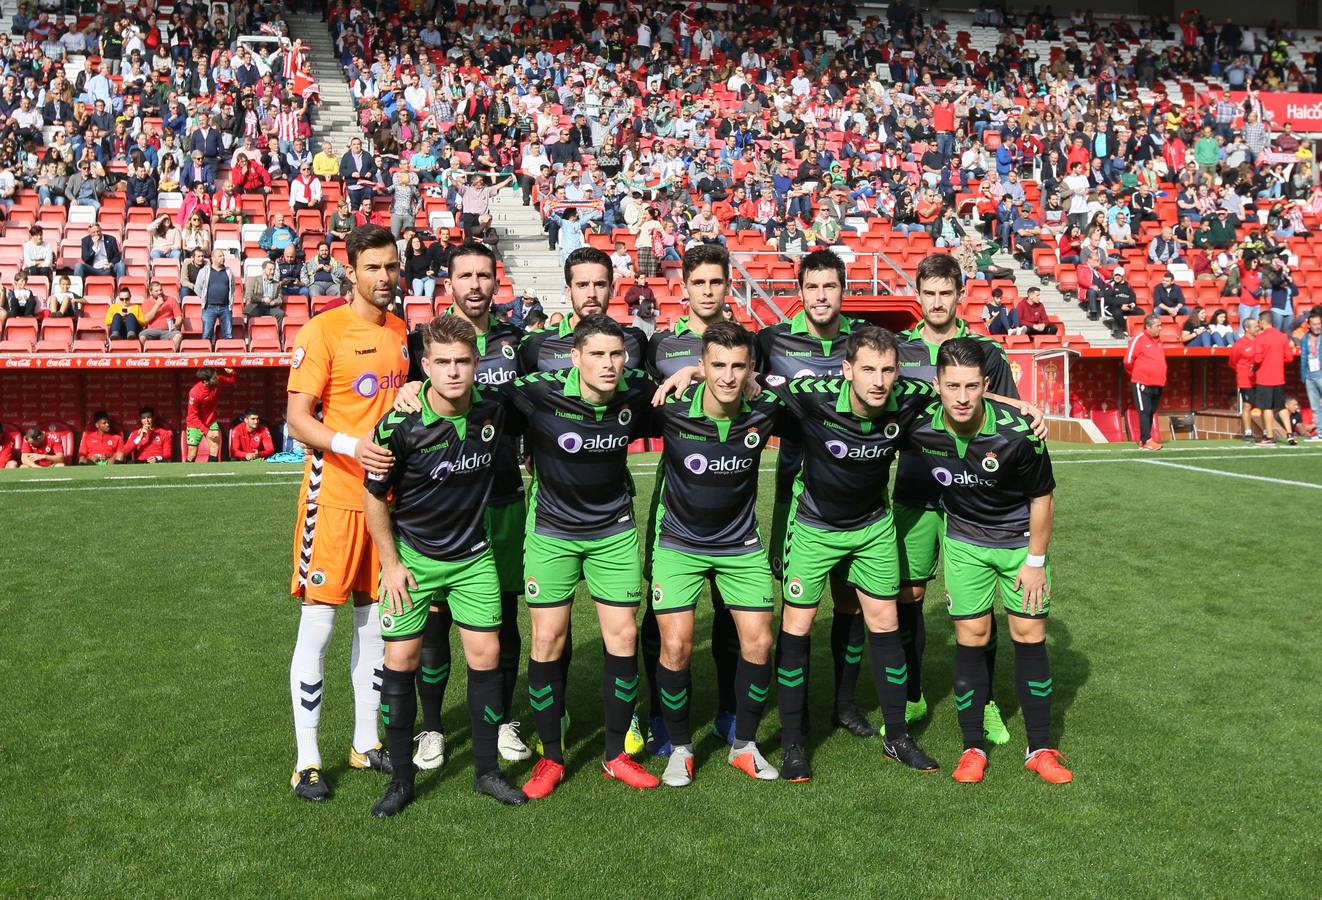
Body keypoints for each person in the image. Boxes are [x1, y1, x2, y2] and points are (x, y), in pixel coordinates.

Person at [364, 315, 530, 817]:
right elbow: (372, 496)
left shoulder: (494, 409)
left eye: (463, 361)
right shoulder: (400, 423)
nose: (454, 372)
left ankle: (487, 772)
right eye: (443, 363)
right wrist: (390, 564)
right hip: (412, 559)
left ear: (477, 363)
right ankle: (399, 778)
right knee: (401, 663)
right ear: (425, 366)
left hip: (473, 558)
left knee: (486, 657)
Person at [901, 338, 1071, 786]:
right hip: (964, 542)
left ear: (986, 386)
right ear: (936, 384)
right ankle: (972, 747)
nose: (961, 397)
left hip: (1019, 545)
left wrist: (1035, 561)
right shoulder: (919, 423)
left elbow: (1042, 497)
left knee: (1028, 634)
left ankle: (1040, 747)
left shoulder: (1017, 431)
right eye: (952, 385)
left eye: (972, 386)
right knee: (972, 636)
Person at [394, 242, 534, 772]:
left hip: (501, 500)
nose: (474, 285)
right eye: (464, 276)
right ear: (447, 283)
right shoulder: (421, 341)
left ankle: (501, 721)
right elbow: (405, 396)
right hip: (437, 504)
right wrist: (405, 390)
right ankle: (431, 728)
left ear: (496, 282)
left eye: (483, 275)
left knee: (503, 620)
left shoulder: (514, 341)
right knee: (432, 621)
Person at [284, 224, 410, 803]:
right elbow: (297, 419)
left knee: (377, 624)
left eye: (392, 266)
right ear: (351, 270)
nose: (386, 278)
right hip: (333, 499)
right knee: (320, 624)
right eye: (375, 268)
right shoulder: (323, 330)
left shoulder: (403, 332)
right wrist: (348, 445)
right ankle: (307, 758)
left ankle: (366, 741)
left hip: (386, 504)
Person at [644, 321, 786, 785]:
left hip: (739, 543)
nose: (727, 376)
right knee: (677, 644)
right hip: (679, 543)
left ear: (751, 370)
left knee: (760, 642)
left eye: (737, 366)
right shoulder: (670, 409)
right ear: (702, 365)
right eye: (717, 365)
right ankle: (681, 748)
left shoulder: (765, 410)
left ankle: (744, 745)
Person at [895, 253, 1021, 746]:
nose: (938, 301)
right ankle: (911, 693)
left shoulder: (986, 351)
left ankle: (986, 700)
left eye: (946, 293)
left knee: (978, 611)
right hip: (916, 487)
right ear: (919, 296)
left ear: (959, 295)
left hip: (977, 496)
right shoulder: (901, 351)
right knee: (909, 596)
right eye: (929, 293)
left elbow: (1008, 413)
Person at [754, 249, 874, 744]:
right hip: (796, 496)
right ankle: (793, 713)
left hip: (857, 497)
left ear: (843, 289)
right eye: (812, 287)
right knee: (796, 608)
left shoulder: (864, 340)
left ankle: (845, 704)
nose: (821, 296)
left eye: (830, 286)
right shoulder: (772, 341)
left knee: (849, 602)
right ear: (799, 292)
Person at [637, 245, 743, 754]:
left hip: (734, 501)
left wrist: (699, 372)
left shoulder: (749, 342)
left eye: (715, 283)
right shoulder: (659, 345)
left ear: (727, 287)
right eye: (698, 282)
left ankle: (728, 711)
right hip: (674, 497)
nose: (707, 291)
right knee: (660, 619)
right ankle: (657, 714)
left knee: (730, 615)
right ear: (684, 289)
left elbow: (750, 382)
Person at [518, 247, 648, 372]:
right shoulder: (535, 343)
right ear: (568, 291)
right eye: (582, 285)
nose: (591, 293)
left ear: (611, 291)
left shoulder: (635, 340)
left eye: (600, 284)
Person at [1252, 310, 1294, 446]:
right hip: (1279, 377)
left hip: (1265, 377)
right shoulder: (1282, 336)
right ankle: (1290, 434)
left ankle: (1269, 437)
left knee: (1267, 408)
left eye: (1259, 322)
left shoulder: (1261, 337)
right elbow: (1289, 357)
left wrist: (1254, 365)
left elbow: (1258, 358)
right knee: (1281, 407)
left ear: (1263, 322)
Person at [1125, 314, 1167, 450]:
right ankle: (1146, 439)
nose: (1160, 329)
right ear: (1148, 327)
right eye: (1157, 326)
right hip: (1142, 382)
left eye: (1161, 325)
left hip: (1157, 383)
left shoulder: (1159, 342)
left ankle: (1144, 440)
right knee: (1144, 411)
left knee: (1150, 411)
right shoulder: (1139, 340)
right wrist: (1138, 375)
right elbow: (1128, 360)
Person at [186, 366, 237, 462]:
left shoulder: (217, 380)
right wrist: (206, 431)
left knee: (214, 447)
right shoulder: (195, 392)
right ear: (205, 381)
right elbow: (193, 416)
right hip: (195, 424)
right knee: (192, 454)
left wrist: (233, 373)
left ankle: (211, 473)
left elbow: (232, 380)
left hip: (211, 421)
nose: (217, 377)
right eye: (214, 377)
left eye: (216, 375)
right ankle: (185, 474)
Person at [193, 249, 234, 341]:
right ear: (213, 258)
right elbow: (197, 288)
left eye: (223, 256)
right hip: (209, 307)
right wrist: (205, 297)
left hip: (226, 308)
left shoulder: (229, 271)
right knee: (206, 335)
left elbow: (232, 287)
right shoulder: (205, 271)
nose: (223, 258)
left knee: (228, 335)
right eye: (220, 256)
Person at [1299, 311, 1322, 441]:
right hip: (1310, 376)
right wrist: (1304, 376)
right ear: (1309, 325)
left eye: (1319, 324)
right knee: (1315, 407)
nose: (1318, 326)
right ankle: (1320, 432)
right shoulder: (1304, 339)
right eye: (1315, 324)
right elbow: (1303, 358)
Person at [136, 283, 180, 351]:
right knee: (142, 336)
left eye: (160, 290)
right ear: (151, 292)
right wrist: (157, 305)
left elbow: (179, 317)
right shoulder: (146, 302)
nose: (159, 292)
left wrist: (176, 324)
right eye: (156, 291)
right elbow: (146, 319)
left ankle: (171, 356)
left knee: (178, 336)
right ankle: (147, 356)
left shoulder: (171, 300)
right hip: (151, 331)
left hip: (167, 330)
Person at [245, 259, 287, 328]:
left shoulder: (277, 284)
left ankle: (277, 335)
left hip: (270, 307)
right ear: (263, 270)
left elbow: (280, 298)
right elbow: (249, 296)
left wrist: (274, 302)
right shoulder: (253, 280)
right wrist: (262, 300)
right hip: (257, 306)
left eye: (273, 270)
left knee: (280, 313)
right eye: (270, 269)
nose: (272, 272)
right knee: (251, 312)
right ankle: (253, 334)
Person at [1103, 267, 1143, 339]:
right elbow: (1108, 300)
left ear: (1123, 276)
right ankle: (1126, 330)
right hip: (1112, 307)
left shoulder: (1128, 285)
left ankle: (1138, 332)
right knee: (1117, 313)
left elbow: (1132, 297)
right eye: (1116, 275)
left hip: (1127, 306)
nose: (1117, 277)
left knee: (1140, 312)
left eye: (1119, 275)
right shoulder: (1110, 285)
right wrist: (1121, 305)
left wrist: (1131, 305)